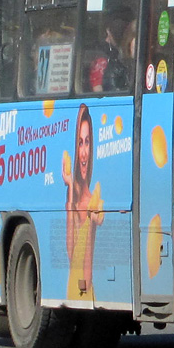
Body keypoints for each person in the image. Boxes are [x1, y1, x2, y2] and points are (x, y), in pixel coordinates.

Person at [63, 103, 103, 301]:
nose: (84, 152)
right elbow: (70, 252)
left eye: (87, 142)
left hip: (86, 292)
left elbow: (100, 219)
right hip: (72, 287)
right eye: (80, 143)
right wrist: (70, 189)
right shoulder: (74, 197)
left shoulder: (93, 199)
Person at [89, 10, 132, 92]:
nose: (106, 40)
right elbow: (97, 89)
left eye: (109, 36)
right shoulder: (103, 57)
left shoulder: (122, 55)